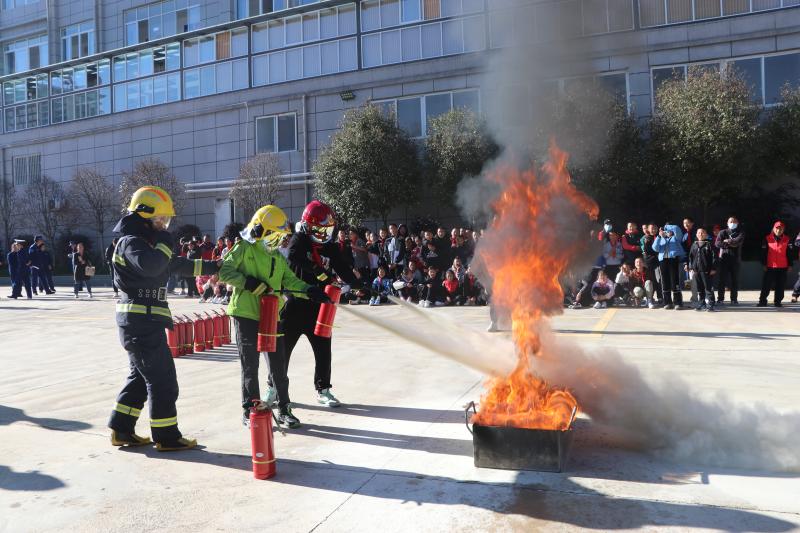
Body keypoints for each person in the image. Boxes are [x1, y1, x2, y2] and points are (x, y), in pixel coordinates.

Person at [108, 185, 219, 451]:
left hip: (143, 324)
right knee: (163, 380)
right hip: (140, 325)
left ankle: (121, 429)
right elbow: (153, 265)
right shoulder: (131, 243)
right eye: (160, 219)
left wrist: (216, 265)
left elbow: (178, 265)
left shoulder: (148, 245)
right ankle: (166, 436)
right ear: (144, 215)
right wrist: (165, 241)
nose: (163, 225)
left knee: (139, 379)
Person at [219, 205, 325, 428]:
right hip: (245, 313)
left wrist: (309, 290)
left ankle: (284, 408)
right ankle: (250, 409)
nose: (279, 241)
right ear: (261, 231)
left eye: (281, 237)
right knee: (250, 364)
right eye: (276, 236)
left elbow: (290, 280)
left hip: (271, 314)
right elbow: (224, 271)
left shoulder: (276, 256)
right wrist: (249, 283)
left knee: (278, 364)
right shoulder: (243, 248)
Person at [284, 200, 362, 408]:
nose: (322, 234)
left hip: (319, 308)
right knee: (283, 350)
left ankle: (323, 390)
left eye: (326, 230)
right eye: (318, 229)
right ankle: (274, 388)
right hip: (294, 304)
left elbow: (342, 267)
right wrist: (316, 269)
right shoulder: (299, 239)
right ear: (308, 225)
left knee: (323, 351)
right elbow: (293, 257)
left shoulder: (330, 247)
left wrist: (357, 283)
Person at [758, 221, 793, 308]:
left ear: (783, 230)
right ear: (773, 229)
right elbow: (763, 253)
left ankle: (778, 302)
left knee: (780, 285)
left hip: (783, 266)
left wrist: (790, 265)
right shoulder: (767, 238)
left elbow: (790, 253)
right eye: (777, 228)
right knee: (766, 285)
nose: (779, 230)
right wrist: (764, 264)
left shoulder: (787, 239)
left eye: (781, 229)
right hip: (770, 266)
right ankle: (762, 301)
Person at [653, 222, 685, 310]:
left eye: (669, 230)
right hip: (663, 260)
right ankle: (667, 302)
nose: (667, 232)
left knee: (675, 280)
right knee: (665, 281)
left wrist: (667, 227)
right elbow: (655, 248)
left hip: (673, 259)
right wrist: (659, 236)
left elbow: (677, 230)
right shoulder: (661, 238)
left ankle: (678, 302)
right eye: (666, 230)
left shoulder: (676, 237)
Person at [715, 216, 745, 305]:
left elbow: (738, 241)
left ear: (737, 223)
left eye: (734, 222)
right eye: (730, 222)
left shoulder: (740, 232)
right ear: (727, 223)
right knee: (722, 280)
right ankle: (720, 299)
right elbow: (717, 243)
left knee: (734, 280)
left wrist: (727, 241)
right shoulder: (722, 232)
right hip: (723, 259)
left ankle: (734, 299)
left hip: (735, 260)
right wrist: (729, 243)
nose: (732, 223)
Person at [688, 227, 717, 312]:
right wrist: (691, 267)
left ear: (706, 234)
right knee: (700, 288)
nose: (700, 234)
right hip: (696, 271)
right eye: (699, 233)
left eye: (702, 232)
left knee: (708, 288)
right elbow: (691, 257)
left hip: (706, 270)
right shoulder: (694, 244)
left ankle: (710, 304)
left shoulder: (709, 244)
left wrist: (713, 268)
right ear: (696, 234)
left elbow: (714, 257)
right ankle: (701, 303)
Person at [640, 224, 663, 304]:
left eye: (655, 228)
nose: (653, 230)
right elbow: (647, 251)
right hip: (649, 262)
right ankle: (650, 297)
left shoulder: (660, 237)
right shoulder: (646, 238)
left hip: (658, 262)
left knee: (659, 279)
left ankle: (660, 297)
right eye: (652, 228)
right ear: (648, 229)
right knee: (650, 280)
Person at [682, 218, 698, 303]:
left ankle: (706, 298)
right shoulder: (684, 235)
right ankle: (694, 297)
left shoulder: (698, 233)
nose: (686, 225)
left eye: (688, 223)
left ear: (692, 223)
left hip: (699, 259)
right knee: (692, 279)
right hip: (690, 260)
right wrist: (686, 263)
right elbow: (685, 252)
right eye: (684, 223)